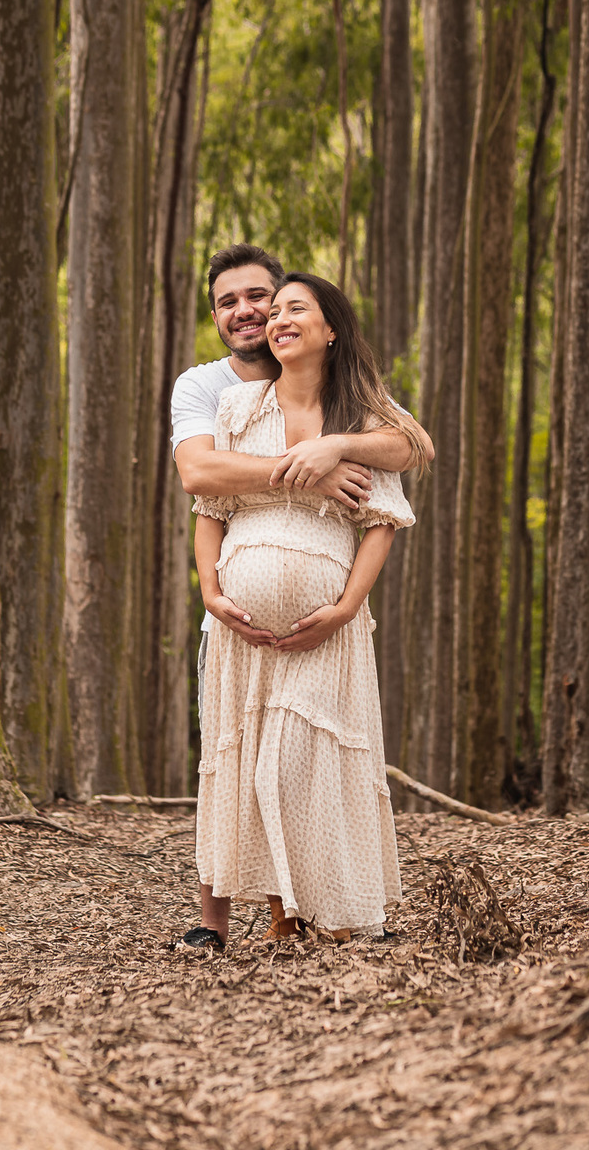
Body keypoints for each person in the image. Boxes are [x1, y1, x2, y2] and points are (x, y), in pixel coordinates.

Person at [172, 245, 431, 952]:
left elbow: (391, 501)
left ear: (330, 329)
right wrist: (212, 589)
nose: (266, 316)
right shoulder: (221, 397)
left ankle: (337, 910)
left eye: (287, 305)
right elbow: (205, 496)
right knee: (243, 763)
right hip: (240, 622)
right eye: (246, 304)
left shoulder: (363, 416)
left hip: (327, 625)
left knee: (297, 765)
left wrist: (347, 605)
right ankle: (258, 917)